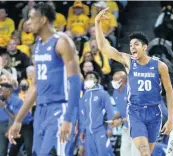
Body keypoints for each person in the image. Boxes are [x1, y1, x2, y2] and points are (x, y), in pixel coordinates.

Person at [95, 8, 173, 156]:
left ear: (145, 47)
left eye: (136, 44)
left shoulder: (160, 66)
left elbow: (169, 91)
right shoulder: (128, 62)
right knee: (143, 152)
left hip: (154, 113)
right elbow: (104, 47)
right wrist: (97, 22)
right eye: (131, 45)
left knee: (147, 153)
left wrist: (170, 119)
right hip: (135, 112)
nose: (132, 48)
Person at [8, 2, 81, 156]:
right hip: (40, 111)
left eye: (31, 18)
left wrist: (68, 118)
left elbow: (75, 82)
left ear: (43, 20)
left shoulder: (62, 42)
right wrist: (18, 120)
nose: (27, 22)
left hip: (59, 109)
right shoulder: (37, 47)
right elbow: (34, 87)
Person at [79, 71, 119, 156]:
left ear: (96, 80)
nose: (89, 80)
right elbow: (83, 115)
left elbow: (110, 111)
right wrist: (82, 131)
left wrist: (110, 128)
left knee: (104, 153)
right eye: (87, 78)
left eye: (91, 77)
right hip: (89, 133)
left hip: (100, 131)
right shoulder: (85, 95)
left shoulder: (103, 93)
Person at [0, 82, 33, 156]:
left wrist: (5, 107)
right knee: (12, 152)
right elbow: (11, 119)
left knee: (29, 149)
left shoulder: (15, 100)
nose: (0, 93)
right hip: (18, 127)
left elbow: (16, 118)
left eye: (2, 91)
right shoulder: (6, 101)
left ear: (8, 91)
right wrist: (9, 129)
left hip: (27, 126)